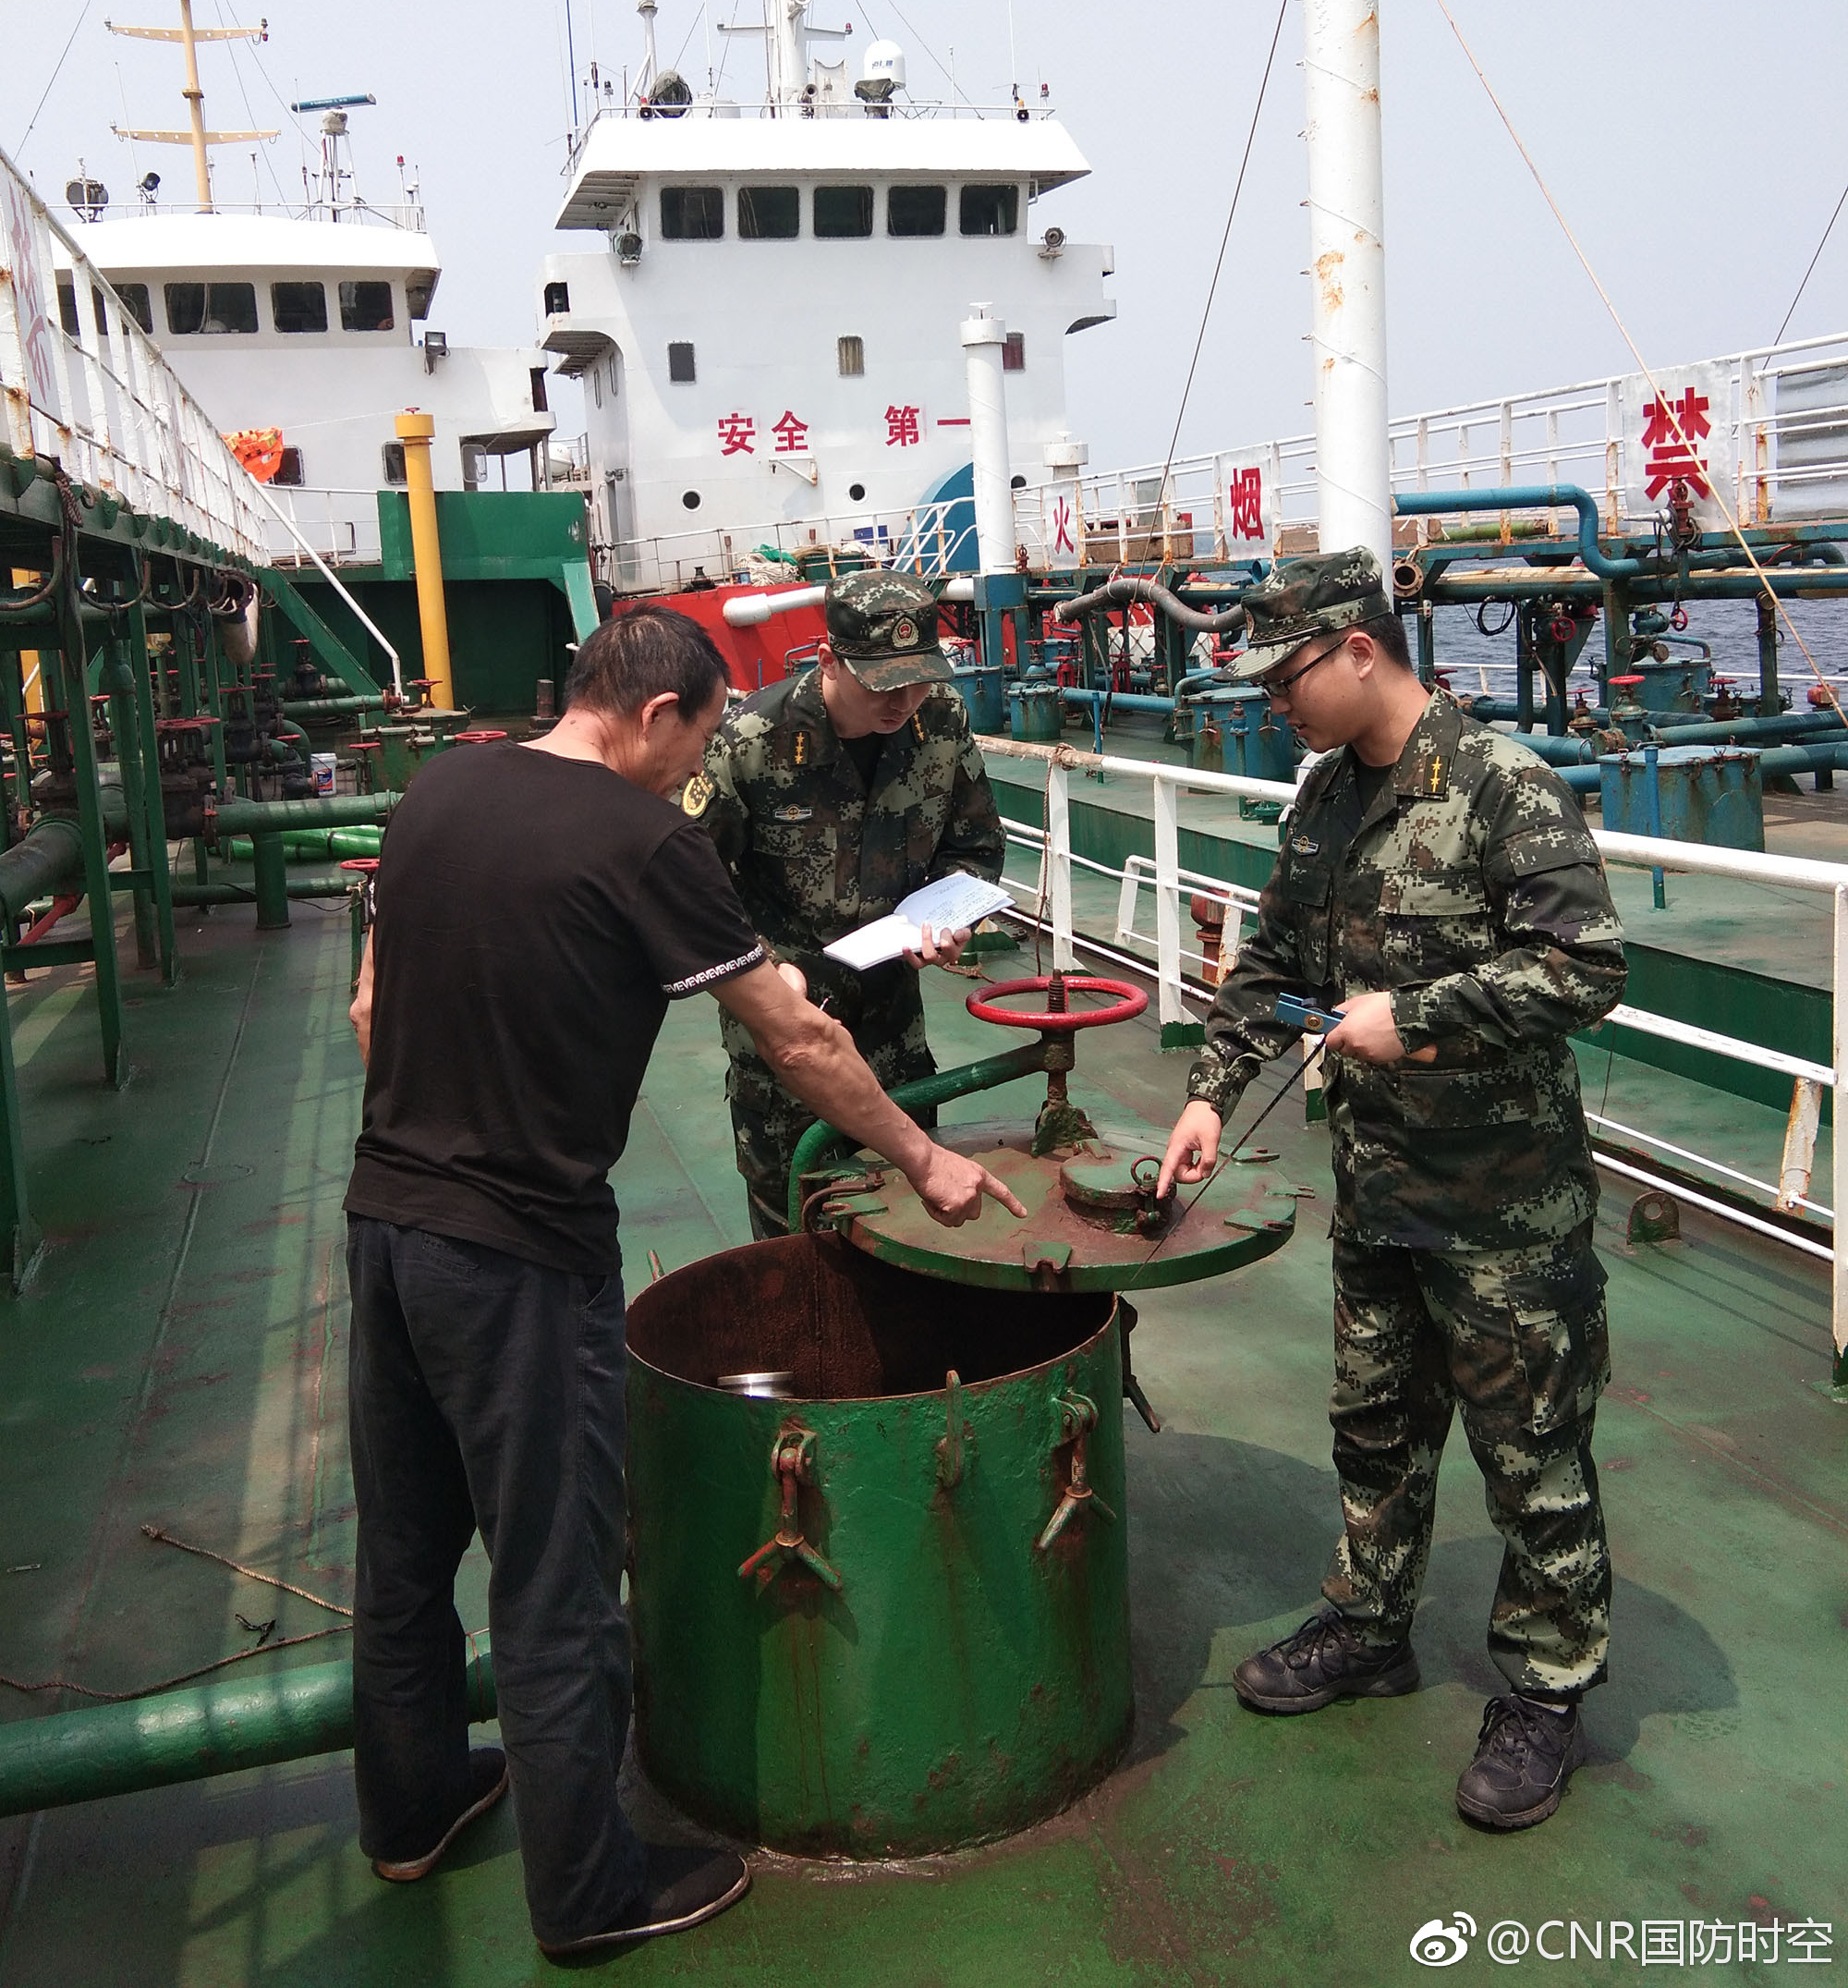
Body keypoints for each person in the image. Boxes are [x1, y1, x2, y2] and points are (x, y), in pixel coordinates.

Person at [345, 604, 1022, 1958]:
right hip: (519, 1254)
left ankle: (411, 1808)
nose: (697, 768)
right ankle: (587, 1887)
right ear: (660, 715)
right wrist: (922, 1155)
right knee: (556, 1577)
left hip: (385, 1221)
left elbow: (372, 1006)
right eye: (700, 737)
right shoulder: (639, 836)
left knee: (407, 1555)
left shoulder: (441, 784)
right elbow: (798, 1040)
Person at [1157, 547, 1626, 1832]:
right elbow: (1271, 958)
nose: (1276, 704)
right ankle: (1370, 1623)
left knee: (1532, 1453)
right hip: (1379, 1189)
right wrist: (1209, 1089)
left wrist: (1413, 1017)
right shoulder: (1323, 797)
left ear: (1361, 648)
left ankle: (1546, 1691)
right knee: (1375, 1424)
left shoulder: (1499, 785)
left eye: (1289, 675)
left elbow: (1584, 968)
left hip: (1504, 1209)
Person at [687, 568, 1007, 1238]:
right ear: (829, 660)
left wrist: (954, 919)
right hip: (785, 1040)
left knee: (909, 1224)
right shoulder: (750, 740)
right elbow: (691, 884)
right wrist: (765, 966)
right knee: (794, 1239)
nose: (902, 701)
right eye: (881, 683)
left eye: (919, 679)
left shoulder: (940, 723)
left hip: (893, 1031)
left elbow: (974, 846)